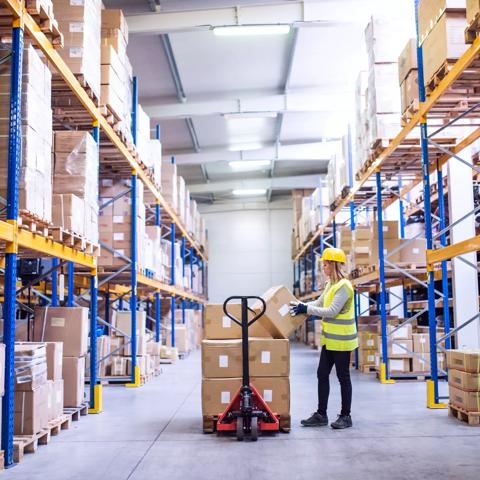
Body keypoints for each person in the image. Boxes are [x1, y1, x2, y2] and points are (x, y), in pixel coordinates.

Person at [290, 247, 358, 430]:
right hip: (330, 339)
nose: (323, 267)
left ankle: (346, 416)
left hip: (343, 340)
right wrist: (300, 305)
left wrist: (307, 309)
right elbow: (319, 303)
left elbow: (331, 311)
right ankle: (321, 414)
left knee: (343, 377)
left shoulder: (344, 286)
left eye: (325, 264)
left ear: (333, 264)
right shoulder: (331, 284)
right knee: (322, 374)